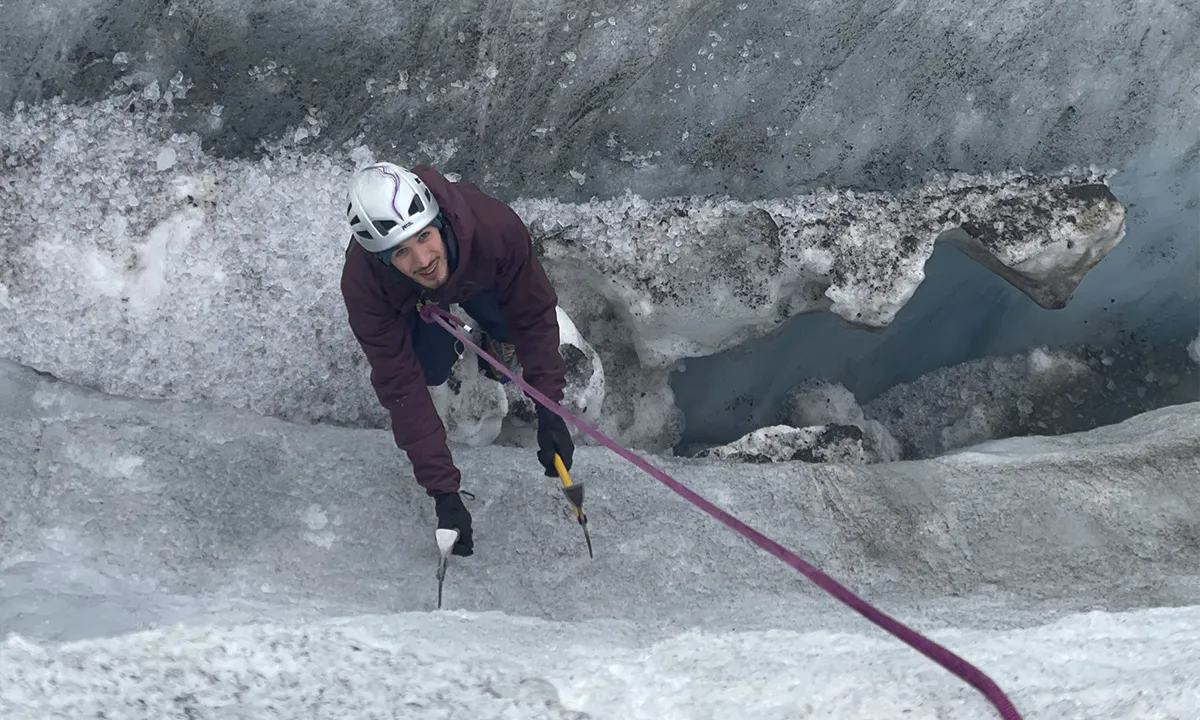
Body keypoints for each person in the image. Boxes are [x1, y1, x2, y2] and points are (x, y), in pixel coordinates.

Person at [339, 161, 575, 557]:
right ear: (382, 260)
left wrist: (549, 408)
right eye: (401, 252)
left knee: (510, 323)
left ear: (439, 223)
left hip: (474, 270)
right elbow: (400, 386)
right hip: (411, 300)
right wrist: (443, 492)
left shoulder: (494, 227)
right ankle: (449, 344)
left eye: (425, 236)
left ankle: (495, 338)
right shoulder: (365, 288)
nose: (422, 259)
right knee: (428, 367)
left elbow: (533, 313)